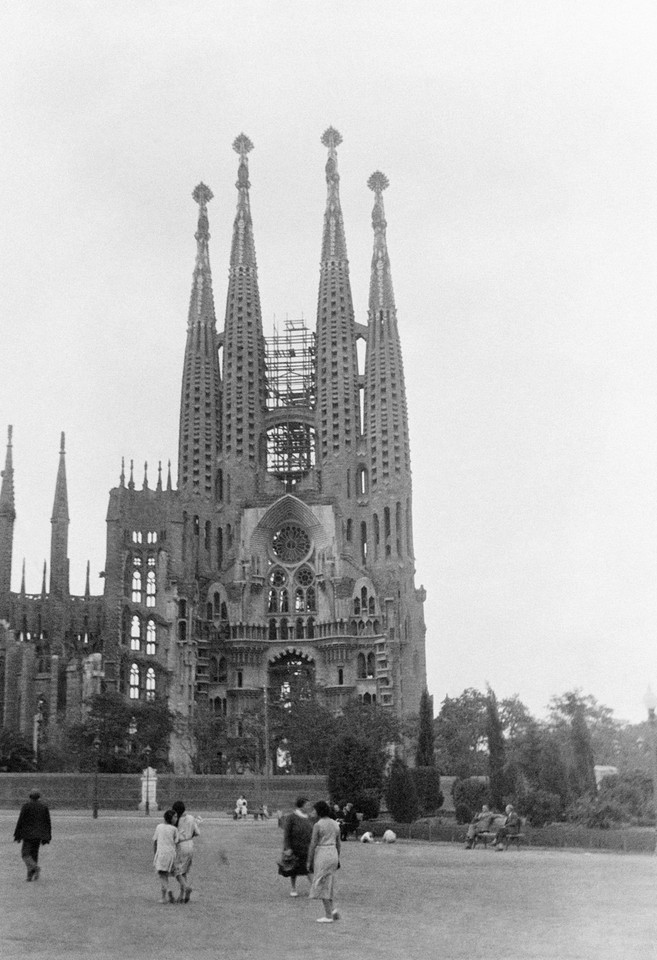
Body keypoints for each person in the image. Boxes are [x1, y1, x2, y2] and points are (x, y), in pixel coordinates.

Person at [307, 800, 341, 923]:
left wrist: (309, 860)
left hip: (323, 852)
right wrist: (337, 857)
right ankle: (332, 909)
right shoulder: (335, 824)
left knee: (321, 883)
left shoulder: (318, 825)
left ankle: (328, 915)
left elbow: (313, 843)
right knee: (329, 882)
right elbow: (339, 843)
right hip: (333, 852)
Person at [13, 789, 52, 881]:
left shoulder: (26, 806)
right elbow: (47, 822)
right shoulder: (44, 807)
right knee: (34, 854)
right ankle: (30, 875)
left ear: (30, 797)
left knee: (25, 854)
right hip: (39, 835)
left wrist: (17, 835)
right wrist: (47, 836)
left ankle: (35, 868)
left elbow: (21, 821)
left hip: (28, 835)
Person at [280, 796, 314, 897]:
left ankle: (314, 889)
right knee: (293, 869)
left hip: (307, 848)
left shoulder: (309, 817)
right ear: (301, 806)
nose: (309, 806)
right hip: (294, 847)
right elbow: (287, 834)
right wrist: (288, 848)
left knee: (309, 869)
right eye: (307, 805)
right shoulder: (291, 817)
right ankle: (293, 888)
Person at [171, 800, 199, 903]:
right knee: (184, 871)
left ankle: (186, 888)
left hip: (181, 845)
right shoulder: (191, 818)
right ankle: (182, 896)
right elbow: (197, 833)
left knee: (176, 871)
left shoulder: (176, 820)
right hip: (190, 844)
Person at [153, 809, 179, 903]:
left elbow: (155, 841)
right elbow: (176, 842)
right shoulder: (174, 829)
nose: (176, 818)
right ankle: (164, 896)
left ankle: (166, 892)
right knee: (166, 875)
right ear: (171, 818)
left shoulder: (159, 827)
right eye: (175, 817)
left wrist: (155, 854)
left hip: (161, 853)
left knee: (162, 875)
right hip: (171, 854)